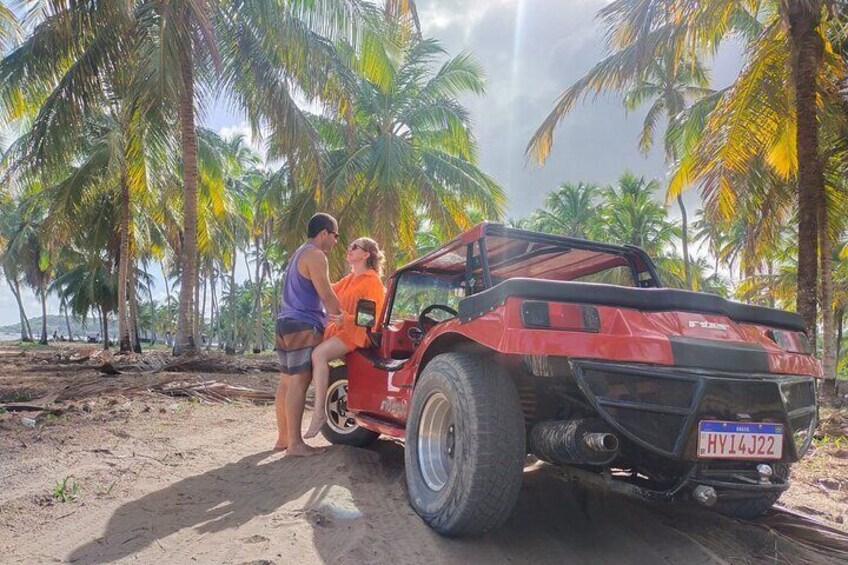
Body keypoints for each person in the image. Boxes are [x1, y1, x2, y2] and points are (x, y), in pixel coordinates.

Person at [274, 213, 343, 456]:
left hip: (285, 321)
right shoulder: (316, 255)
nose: (335, 241)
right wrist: (343, 319)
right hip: (303, 323)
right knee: (298, 383)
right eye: (335, 236)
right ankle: (295, 444)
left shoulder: (298, 253)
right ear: (324, 233)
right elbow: (326, 295)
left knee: (286, 381)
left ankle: (283, 439)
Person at [304, 237, 386, 439]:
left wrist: (346, 320)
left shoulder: (372, 281)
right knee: (311, 352)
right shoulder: (349, 279)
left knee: (319, 355)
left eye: (354, 247)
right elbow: (327, 289)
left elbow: (372, 317)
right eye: (350, 246)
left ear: (366, 254)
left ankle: (319, 413)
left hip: (357, 333)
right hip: (341, 330)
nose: (349, 249)